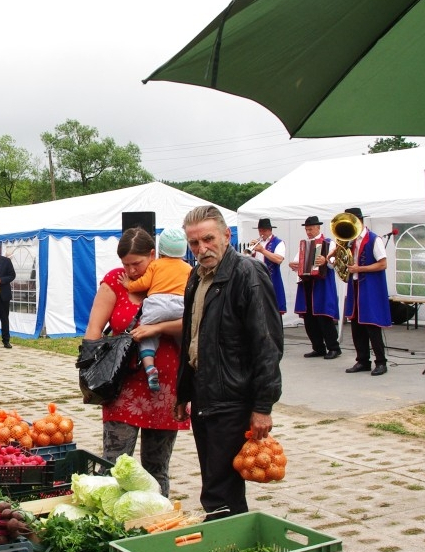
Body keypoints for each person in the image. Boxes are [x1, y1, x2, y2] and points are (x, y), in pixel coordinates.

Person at [175, 205, 283, 520]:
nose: (201, 249)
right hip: (204, 391)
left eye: (208, 239)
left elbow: (267, 344)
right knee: (214, 477)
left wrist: (263, 406)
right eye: (194, 243)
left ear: (227, 235)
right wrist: (184, 391)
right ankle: (230, 539)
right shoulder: (196, 275)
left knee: (221, 487)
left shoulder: (247, 273)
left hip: (233, 396)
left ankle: (230, 544)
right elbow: (191, 337)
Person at [83, 227, 190, 498]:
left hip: (165, 388)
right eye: (125, 264)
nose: (130, 271)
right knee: (115, 464)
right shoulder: (114, 282)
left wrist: (156, 328)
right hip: (121, 387)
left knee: (157, 468)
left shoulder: (176, 278)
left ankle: (155, 520)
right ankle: (111, 521)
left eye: (137, 263)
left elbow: (193, 325)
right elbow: (94, 330)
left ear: (153, 255)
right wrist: (90, 374)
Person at [118, 227, 192, 391]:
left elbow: (143, 284)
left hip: (157, 304)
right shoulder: (188, 268)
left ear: (156, 252)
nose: (131, 270)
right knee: (186, 336)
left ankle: (150, 366)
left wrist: (129, 285)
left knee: (146, 334)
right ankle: (188, 362)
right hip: (179, 304)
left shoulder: (156, 265)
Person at [339, 207, 392, 376]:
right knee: (356, 325)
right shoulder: (350, 240)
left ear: (359, 221)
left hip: (369, 287)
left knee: (371, 325)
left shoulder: (374, 239)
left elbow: (383, 264)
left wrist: (359, 268)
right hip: (355, 287)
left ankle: (381, 362)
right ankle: (362, 360)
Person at [288, 216, 342, 360]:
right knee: (309, 317)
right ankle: (318, 347)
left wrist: (326, 260)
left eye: (310, 229)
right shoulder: (304, 244)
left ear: (318, 228)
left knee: (324, 316)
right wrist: (293, 265)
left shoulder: (329, 243)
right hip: (307, 283)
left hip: (322, 284)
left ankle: (333, 347)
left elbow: (333, 264)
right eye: (306, 229)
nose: (308, 232)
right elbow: (298, 262)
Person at [247, 217, 287, 314]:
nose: (261, 233)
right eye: (259, 230)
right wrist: (250, 252)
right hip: (257, 280)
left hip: (272, 280)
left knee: (274, 311)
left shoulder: (278, 242)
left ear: (270, 230)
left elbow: (278, 259)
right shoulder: (257, 243)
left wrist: (262, 250)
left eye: (264, 230)